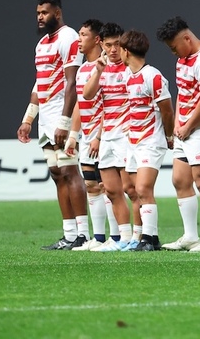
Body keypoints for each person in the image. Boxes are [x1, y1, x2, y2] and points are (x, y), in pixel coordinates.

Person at [16, 0, 88, 250]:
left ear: (57, 13)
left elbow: (72, 83)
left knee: (70, 171)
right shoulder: (42, 44)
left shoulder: (68, 37)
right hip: (45, 119)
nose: (40, 17)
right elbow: (40, 83)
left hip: (61, 116)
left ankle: (83, 235)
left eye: (44, 12)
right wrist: (28, 119)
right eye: (38, 13)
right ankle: (68, 235)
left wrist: (65, 122)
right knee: (57, 174)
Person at [156, 17, 200, 253]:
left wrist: (187, 126)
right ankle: (190, 236)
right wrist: (177, 123)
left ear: (187, 38)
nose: (174, 52)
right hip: (184, 129)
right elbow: (182, 93)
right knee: (180, 180)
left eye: (174, 47)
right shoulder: (183, 61)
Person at [118, 30, 175, 252]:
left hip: (151, 140)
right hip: (132, 140)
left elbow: (167, 111)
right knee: (131, 190)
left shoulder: (153, 76)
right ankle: (141, 235)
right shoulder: (126, 75)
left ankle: (150, 239)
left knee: (143, 188)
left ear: (126, 51)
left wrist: (168, 136)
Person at [86, 22, 138, 252]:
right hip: (107, 136)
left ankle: (141, 236)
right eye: (109, 45)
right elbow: (87, 96)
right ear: (102, 45)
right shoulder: (101, 68)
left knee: (131, 189)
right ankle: (121, 238)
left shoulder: (131, 68)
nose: (114, 50)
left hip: (127, 137)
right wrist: (97, 70)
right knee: (111, 190)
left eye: (117, 44)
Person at [65, 18, 112, 250]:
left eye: (83, 35)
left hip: (102, 137)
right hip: (86, 137)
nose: (78, 39)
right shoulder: (84, 69)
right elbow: (80, 106)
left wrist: (98, 136)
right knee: (92, 186)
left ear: (96, 40)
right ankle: (99, 238)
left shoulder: (106, 68)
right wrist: (74, 134)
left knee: (108, 187)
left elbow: (111, 105)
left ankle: (117, 237)